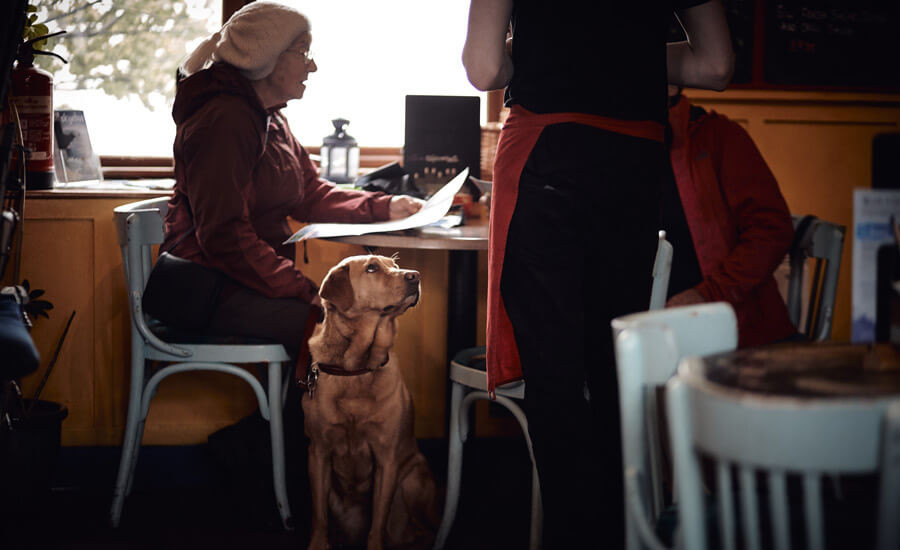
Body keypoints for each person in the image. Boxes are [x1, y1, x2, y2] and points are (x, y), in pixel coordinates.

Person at [463, 1, 734, 546]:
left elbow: (485, 69)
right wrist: (626, 55)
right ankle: (619, 532)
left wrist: (551, 52)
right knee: (616, 369)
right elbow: (716, 66)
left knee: (555, 380)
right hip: (634, 160)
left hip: (549, 149)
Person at [158, 1, 423, 359]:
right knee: (330, 325)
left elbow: (310, 192)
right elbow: (224, 235)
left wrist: (386, 205)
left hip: (239, 280)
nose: (312, 65)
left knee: (331, 318)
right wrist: (300, 287)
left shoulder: (269, 117)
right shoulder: (224, 121)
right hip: (204, 288)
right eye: (303, 52)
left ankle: (284, 417)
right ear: (266, 57)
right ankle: (296, 418)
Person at [663, 86, 797, 347]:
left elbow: (771, 229)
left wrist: (708, 294)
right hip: (649, 338)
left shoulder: (719, 137)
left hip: (737, 338)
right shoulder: (612, 151)